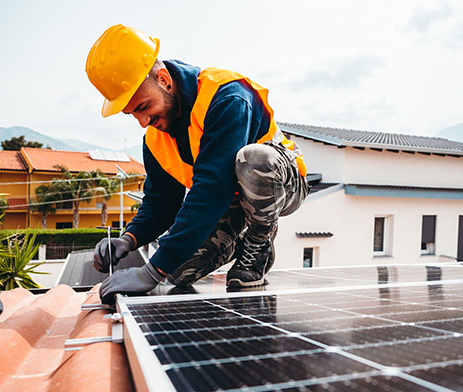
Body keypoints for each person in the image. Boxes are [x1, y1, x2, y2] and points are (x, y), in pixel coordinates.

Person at [86, 24, 308, 303]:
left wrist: (151, 272)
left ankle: (258, 241)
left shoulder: (227, 97)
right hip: (232, 198)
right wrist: (129, 239)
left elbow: (211, 189)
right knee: (176, 271)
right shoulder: (156, 137)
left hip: (282, 184)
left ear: (164, 79)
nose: (143, 122)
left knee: (253, 160)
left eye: (142, 107)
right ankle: (232, 244)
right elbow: (161, 202)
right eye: (132, 115)